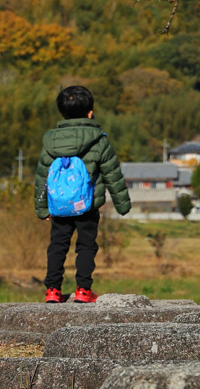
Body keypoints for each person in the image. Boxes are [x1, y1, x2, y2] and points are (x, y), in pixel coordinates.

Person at [33, 85, 131, 303]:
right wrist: (123, 205)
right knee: (86, 246)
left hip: (59, 205)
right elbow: (112, 174)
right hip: (87, 205)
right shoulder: (99, 140)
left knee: (58, 245)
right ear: (90, 113)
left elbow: (42, 177)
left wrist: (42, 208)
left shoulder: (50, 142)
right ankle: (83, 290)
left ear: (63, 113)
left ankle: (52, 290)